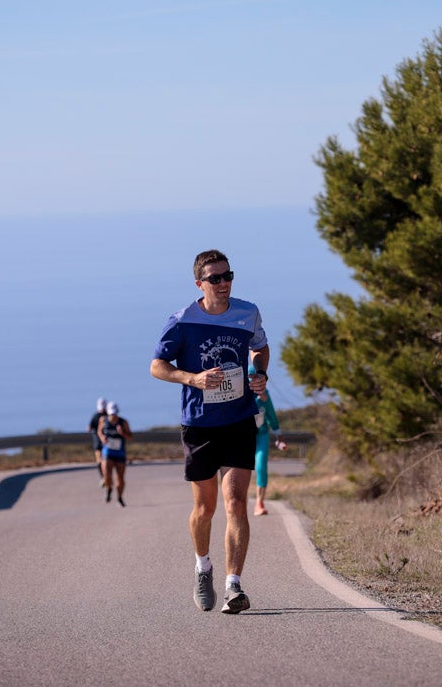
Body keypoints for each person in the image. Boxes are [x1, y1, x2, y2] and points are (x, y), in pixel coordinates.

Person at [151, 249, 269, 615]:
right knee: (205, 509)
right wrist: (193, 379)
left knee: (235, 501)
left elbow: (260, 348)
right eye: (215, 278)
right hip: (199, 424)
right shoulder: (182, 320)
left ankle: (234, 585)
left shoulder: (247, 312)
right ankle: (203, 567)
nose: (223, 283)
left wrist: (260, 374)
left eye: (228, 275)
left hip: (238, 419)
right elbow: (157, 366)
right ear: (199, 283)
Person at [248, 363, 284, 516]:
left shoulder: (265, 395)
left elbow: (272, 416)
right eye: (251, 378)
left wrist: (279, 436)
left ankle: (259, 502)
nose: (255, 381)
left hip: (261, 434)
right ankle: (236, 501)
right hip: (243, 436)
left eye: (258, 378)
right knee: (238, 469)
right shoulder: (240, 395)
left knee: (261, 466)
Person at [99, 400, 132, 507]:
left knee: (120, 478)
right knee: (107, 475)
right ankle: (109, 488)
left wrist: (122, 433)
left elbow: (130, 437)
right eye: (111, 413)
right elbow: (99, 431)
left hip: (120, 453)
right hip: (107, 452)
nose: (113, 416)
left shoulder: (123, 422)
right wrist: (102, 438)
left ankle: (119, 497)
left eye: (115, 413)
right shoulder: (103, 420)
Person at [88, 397, 106, 483]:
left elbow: (89, 428)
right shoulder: (108, 415)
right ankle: (105, 477)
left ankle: (103, 477)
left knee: (99, 460)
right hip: (106, 441)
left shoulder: (95, 416)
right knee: (105, 460)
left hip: (97, 441)